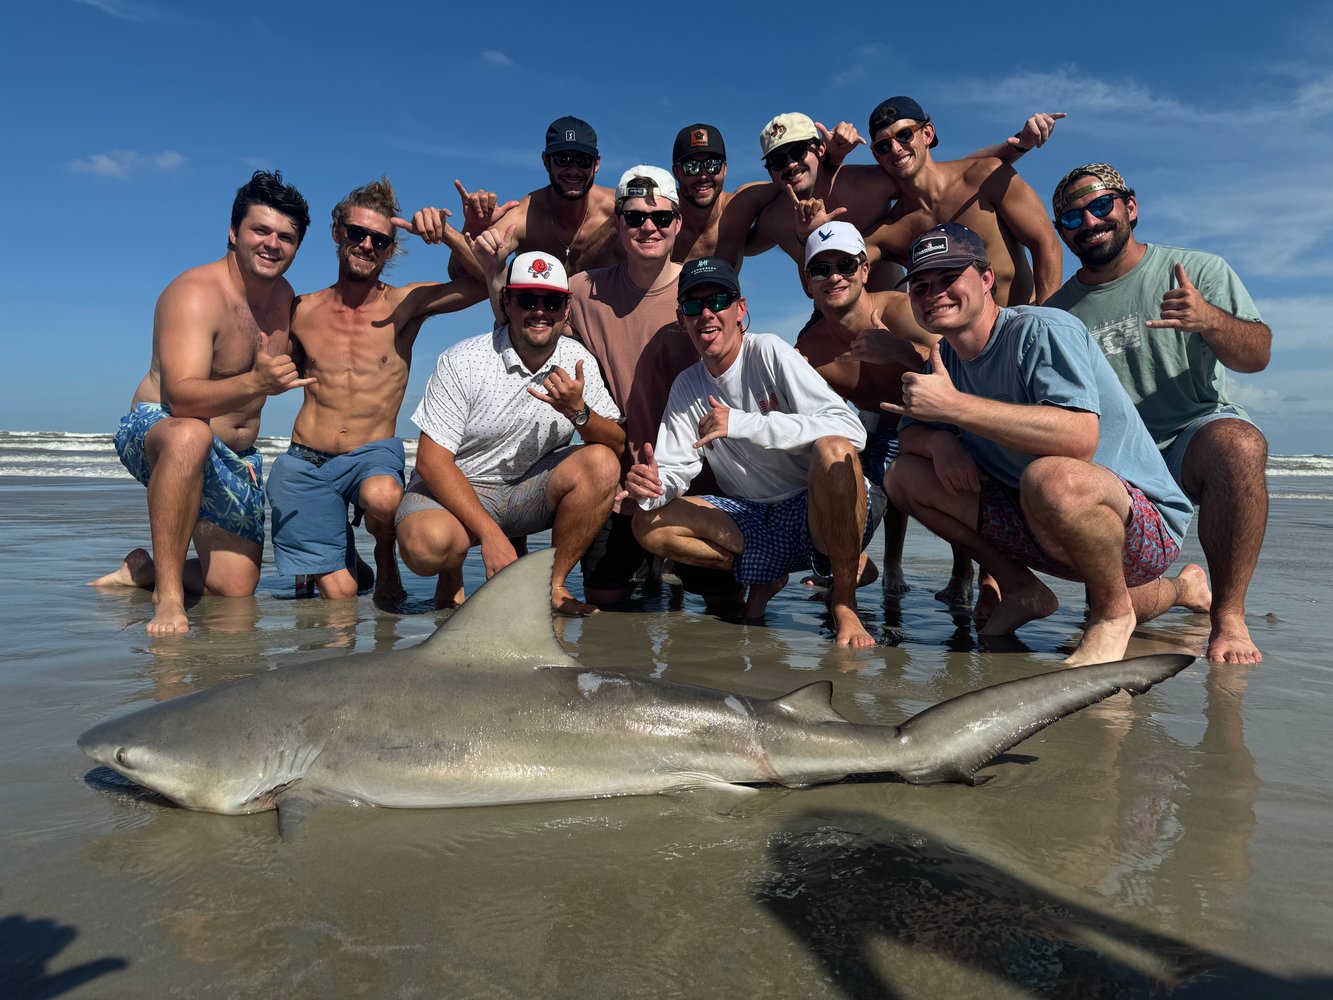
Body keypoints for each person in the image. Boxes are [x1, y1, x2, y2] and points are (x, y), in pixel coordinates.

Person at [882, 223, 1210, 666]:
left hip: (1137, 520)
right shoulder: (944, 360)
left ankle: (1115, 614)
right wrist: (941, 442)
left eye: (948, 278)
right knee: (904, 476)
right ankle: (1023, 588)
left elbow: (1078, 438)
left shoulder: (1041, 330)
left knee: (1052, 477)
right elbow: (912, 434)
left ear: (985, 280)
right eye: (921, 285)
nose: (933, 293)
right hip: (1039, 516)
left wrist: (955, 408)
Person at [472, 164, 735, 607]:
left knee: (725, 618)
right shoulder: (582, 290)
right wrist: (492, 270)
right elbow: (522, 324)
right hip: (622, 487)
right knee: (606, 618)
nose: (647, 226)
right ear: (617, 224)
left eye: (660, 217)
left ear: (678, 223)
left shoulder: (703, 292)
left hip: (701, 483)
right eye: (633, 217)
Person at [1045, 163, 1271, 664]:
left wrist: (1208, 318)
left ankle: (1229, 616)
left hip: (1192, 436)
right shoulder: (1057, 314)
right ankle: (1185, 587)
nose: (1089, 221)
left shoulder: (1197, 270)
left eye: (1100, 205)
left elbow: (1257, 355)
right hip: (1120, 464)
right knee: (1116, 609)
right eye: (1071, 218)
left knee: (1240, 445)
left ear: (1130, 207)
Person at [89, 171, 313, 635]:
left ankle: (146, 569)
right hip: (160, 428)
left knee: (235, 586)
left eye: (286, 237)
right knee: (192, 434)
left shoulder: (286, 297)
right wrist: (257, 382)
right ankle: (168, 598)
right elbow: (183, 397)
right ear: (234, 233)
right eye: (261, 230)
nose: (273, 244)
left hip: (236, 456)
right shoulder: (194, 293)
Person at [627, 257, 882, 648]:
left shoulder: (768, 351)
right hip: (751, 517)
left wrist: (743, 423)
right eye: (694, 306)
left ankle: (844, 602)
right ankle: (768, 571)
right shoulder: (686, 386)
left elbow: (850, 430)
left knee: (835, 449)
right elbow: (675, 471)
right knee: (647, 524)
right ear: (682, 319)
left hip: (812, 506)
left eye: (719, 300)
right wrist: (650, 488)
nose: (707, 313)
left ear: (740, 309)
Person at [266, 176, 486, 605]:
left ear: (391, 249)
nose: (367, 245)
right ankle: (343, 560)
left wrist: (449, 238)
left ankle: (385, 561)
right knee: (340, 600)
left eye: (380, 240)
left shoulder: (405, 303)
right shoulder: (302, 309)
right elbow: (272, 372)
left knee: (382, 496)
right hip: (308, 457)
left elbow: (482, 285)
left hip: (373, 455)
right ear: (337, 234)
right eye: (357, 233)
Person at [394, 251, 624, 616]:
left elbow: (617, 444)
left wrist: (579, 414)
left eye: (551, 301)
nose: (539, 311)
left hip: (526, 495)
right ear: (507, 302)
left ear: (566, 309)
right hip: (460, 486)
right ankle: (451, 572)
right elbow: (431, 462)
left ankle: (553, 586)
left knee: (602, 463)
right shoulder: (463, 360)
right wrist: (490, 535)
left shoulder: (577, 361)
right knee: (425, 546)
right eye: (527, 300)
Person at [792, 220, 954, 596]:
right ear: (808, 282)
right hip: (878, 431)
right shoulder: (809, 350)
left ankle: (974, 576)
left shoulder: (901, 312)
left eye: (845, 266)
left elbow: (966, 375)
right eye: (821, 269)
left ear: (865, 270)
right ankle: (858, 564)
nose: (834, 277)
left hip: (941, 422)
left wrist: (901, 352)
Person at [746, 109, 1062, 290]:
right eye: (777, 161)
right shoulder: (774, 220)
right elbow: (742, 247)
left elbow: (948, 174)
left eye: (797, 152)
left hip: (906, 304)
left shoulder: (871, 182)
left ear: (819, 148)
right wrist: (808, 238)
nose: (789, 164)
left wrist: (1016, 147)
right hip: (842, 307)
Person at [856, 97, 1063, 305]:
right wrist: (833, 159)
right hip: (952, 336)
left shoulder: (983, 178)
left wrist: (1047, 318)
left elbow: (1046, 243)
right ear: (876, 156)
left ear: (927, 134)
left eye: (904, 135)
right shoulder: (889, 232)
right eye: (883, 146)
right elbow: (840, 264)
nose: (895, 148)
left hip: (1022, 323)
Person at [457, 116, 620, 277]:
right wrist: (473, 226)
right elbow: (461, 274)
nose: (573, 170)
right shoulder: (526, 215)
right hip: (538, 303)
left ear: (596, 163)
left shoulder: (620, 211)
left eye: (583, 160)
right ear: (546, 161)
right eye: (562, 159)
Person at [669, 122, 785, 265]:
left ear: (724, 169)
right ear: (676, 172)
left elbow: (795, 186)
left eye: (713, 165)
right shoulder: (661, 216)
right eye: (691, 167)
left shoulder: (740, 206)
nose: (703, 176)